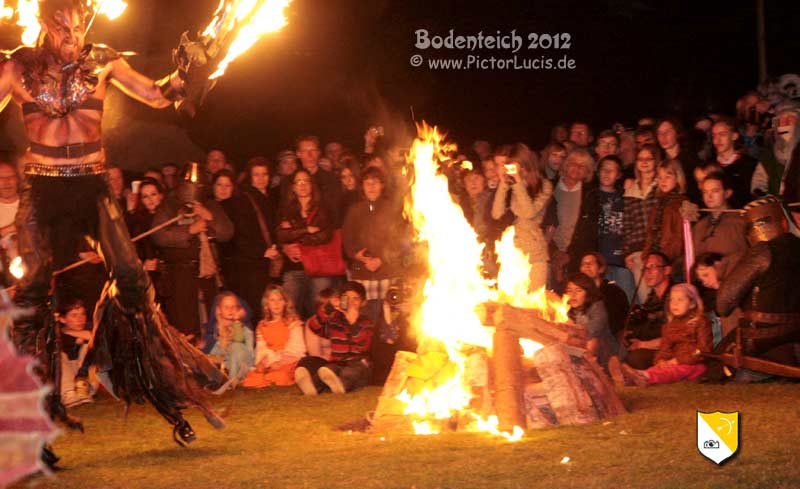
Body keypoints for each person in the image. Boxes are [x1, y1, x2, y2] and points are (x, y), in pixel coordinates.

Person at [2, 0, 227, 446]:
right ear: (46, 25)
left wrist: (191, 70)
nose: (74, 35)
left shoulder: (103, 61)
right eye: (64, 27)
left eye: (80, 25)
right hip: (42, 189)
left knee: (131, 277)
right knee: (31, 290)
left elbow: (160, 94)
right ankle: (26, 414)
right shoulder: (18, 67)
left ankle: (168, 389)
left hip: (92, 185)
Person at [716, 197, 800, 377]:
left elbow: (723, 304)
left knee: (714, 366)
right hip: (795, 332)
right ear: (784, 223)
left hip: (758, 336)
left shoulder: (761, 252)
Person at [153, 170, 234, 340]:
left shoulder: (210, 205)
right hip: (179, 276)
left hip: (207, 274)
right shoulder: (169, 206)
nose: (193, 189)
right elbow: (159, 235)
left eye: (197, 186)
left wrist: (208, 216)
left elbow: (226, 233)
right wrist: (190, 230)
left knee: (211, 323)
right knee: (185, 326)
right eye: (190, 185)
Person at [341, 167, 406, 325]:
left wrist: (382, 259)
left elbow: (399, 240)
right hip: (362, 275)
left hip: (388, 273)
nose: (371, 186)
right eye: (367, 182)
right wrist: (356, 255)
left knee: (390, 322)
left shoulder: (393, 209)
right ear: (361, 186)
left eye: (375, 182)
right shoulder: (355, 209)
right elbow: (347, 238)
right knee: (365, 321)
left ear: (382, 185)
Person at [619, 284, 713, 386]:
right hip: (672, 361)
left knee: (673, 371)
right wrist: (661, 360)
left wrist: (678, 360)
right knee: (660, 369)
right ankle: (634, 378)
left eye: (680, 300)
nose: (675, 304)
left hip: (694, 364)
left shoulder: (700, 322)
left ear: (692, 304)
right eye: (672, 300)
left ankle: (644, 376)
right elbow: (665, 347)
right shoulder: (669, 326)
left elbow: (703, 350)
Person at [277, 169, 338, 319]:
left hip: (319, 268)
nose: (302, 185)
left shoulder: (323, 208)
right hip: (293, 269)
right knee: (290, 314)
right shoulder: (285, 209)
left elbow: (324, 236)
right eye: (299, 182)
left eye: (306, 181)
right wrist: (307, 230)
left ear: (312, 185)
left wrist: (297, 238)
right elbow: (280, 235)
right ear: (293, 187)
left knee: (320, 314)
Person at [294, 281, 374, 395]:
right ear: (342, 300)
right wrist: (329, 308)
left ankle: (338, 387)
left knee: (350, 373)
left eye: (355, 299)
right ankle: (311, 385)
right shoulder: (335, 319)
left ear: (363, 303)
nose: (351, 303)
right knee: (326, 371)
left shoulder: (366, 322)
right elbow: (314, 327)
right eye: (347, 299)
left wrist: (354, 324)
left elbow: (363, 347)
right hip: (337, 363)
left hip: (358, 364)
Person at [492, 143, 552, 291]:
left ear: (525, 164)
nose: (512, 169)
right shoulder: (512, 184)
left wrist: (518, 182)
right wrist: (503, 184)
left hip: (535, 253)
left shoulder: (544, 185)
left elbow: (529, 213)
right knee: (509, 304)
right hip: (513, 249)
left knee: (533, 305)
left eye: (515, 165)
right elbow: (496, 214)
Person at [242, 285, 306, 387]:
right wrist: (262, 363)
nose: (276, 304)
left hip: (287, 361)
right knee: (253, 378)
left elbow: (297, 348)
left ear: (285, 302)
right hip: (270, 361)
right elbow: (261, 347)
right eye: (272, 300)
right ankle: (266, 377)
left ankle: (272, 377)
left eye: (280, 300)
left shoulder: (293, 322)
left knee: (280, 376)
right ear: (267, 304)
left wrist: (280, 362)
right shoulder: (262, 325)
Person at [622, 252, 674, 370]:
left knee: (635, 358)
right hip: (654, 345)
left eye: (653, 267)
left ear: (667, 270)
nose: (647, 273)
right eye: (645, 268)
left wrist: (642, 344)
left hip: (672, 349)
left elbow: (675, 336)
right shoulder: (652, 298)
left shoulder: (676, 296)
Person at [623, 144, 661, 302]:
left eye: (649, 159)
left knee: (660, 292)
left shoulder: (661, 186)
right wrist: (626, 252)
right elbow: (627, 224)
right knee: (644, 295)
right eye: (640, 159)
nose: (644, 162)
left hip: (658, 247)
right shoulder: (630, 191)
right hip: (637, 249)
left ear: (656, 161)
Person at [595, 156, 635, 300]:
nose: (606, 173)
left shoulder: (627, 197)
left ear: (618, 175)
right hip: (597, 262)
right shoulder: (589, 195)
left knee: (626, 303)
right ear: (598, 171)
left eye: (611, 171)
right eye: (604, 169)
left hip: (621, 261)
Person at [565, 273, 622, 371]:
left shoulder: (597, 307)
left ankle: (588, 369)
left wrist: (572, 331)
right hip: (578, 349)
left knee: (592, 340)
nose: (573, 295)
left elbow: (592, 330)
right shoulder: (567, 309)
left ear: (588, 292)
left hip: (605, 353)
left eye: (578, 290)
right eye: (569, 290)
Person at [641, 159, 688, 272]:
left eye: (668, 176)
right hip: (655, 259)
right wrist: (646, 256)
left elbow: (679, 238)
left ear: (677, 178)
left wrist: (664, 259)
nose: (663, 181)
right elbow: (650, 233)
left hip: (670, 262)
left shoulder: (681, 203)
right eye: (660, 177)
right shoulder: (658, 204)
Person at [203, 292, 254, 384]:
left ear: (238, 309)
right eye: (226, 307)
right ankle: (221, 379)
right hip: (225, 363)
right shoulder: (215, 331)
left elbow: (250, 354)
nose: (230, 310)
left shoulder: (245, 329)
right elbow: (212, 352)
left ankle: (232, 380)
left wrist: (237, 324)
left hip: (243, 365)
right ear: (219, 310)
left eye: (233, 307)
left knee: (236, 346)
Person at [710, 117, 758, 209]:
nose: (717, 140)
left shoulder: (749, 164)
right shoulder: (709, 165)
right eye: (714, 136)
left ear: (734, 136)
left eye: (722, 134)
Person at [579, 253, 630, 339]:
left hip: (608, 338)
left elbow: (616, 322)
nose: (586, 266)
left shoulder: (613, 291)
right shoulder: (578, 293)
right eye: (583, 264)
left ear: (601, 269)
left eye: (591, 263)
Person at [57, 299, 94, 407]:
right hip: (66, 380)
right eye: (74, 315)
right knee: (59, 355)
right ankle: (68, 393)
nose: (80, 319)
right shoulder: (57, 334)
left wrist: (72, 332)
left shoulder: (90, 327)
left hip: (86, 380)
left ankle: (83, 390)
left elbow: (93, 337)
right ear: (62, 319)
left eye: (82, 314)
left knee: (88, 346)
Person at [0, 161, 20, 287]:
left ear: (17, 180)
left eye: (10, 177)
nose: (6, 182)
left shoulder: (30, 205)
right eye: (1, 178)